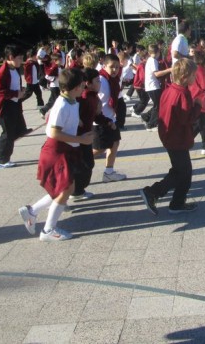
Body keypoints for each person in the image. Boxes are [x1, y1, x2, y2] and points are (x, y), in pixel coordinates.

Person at [18, 69, 94, 241]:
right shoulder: (62, 105)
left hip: (64, 150)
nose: (85, 87)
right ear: (76, 87)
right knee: (65, 189)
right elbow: (53, 132)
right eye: (83, 84)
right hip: (56, 151)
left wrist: (77, 122)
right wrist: (81, 139)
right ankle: (48, 230)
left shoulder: (71, 101)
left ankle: (32, 211)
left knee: (67, 188)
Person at [139, 59, 200, 215]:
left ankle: (177, 203)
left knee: (181, 171)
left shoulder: (169, 89)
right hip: (177, 138)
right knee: (182, 173)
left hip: (169, 136)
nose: (195, 78)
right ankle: (153, 192)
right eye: (194, 75)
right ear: (185, 77)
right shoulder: (182, 93)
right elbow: (186, 118)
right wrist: (197, 106)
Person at [73, 68, 113, 201]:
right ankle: (75, 191)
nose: (100, 83)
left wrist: (107, 122)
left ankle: (77, 190)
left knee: (87, 163)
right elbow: (75, 114)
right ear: (88, 83)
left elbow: (96, 116)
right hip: (79, 138)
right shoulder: (84, 97)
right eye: (97, 81)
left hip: (86, 136)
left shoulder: (93, 97)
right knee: (84, 165)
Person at [0, 45, 28, 168]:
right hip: (5, 106)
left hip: (15, 104)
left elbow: (13, 84)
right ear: (10, 57)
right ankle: (1, 160)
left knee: (20, 130)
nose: (21, 60)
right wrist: (15, 94)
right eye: (19, 58)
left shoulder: (15, 69)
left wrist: (20, 90)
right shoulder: (2, 72)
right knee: (8, 133)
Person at [95, 54, 127, 182]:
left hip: (111, 119)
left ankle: (109, 172)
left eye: (117, 67)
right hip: (100, 121)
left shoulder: (114, 80)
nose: (115, 70)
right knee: (99, 149)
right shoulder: (100, 80)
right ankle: (76, 164)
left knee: (114, 144)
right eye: (111, 67)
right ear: (104, 66)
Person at [141, 44, 171, 131]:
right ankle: (151, 124)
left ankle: (146, 116)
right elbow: (157, 74)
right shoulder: (153, 61)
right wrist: (169, 70)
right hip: (153, 86)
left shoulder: (150, 60)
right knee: (158, 106)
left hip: (151, 86)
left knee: (157, 104)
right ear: (158, 52)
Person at [38, 52, 61, 118]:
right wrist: (54, 78)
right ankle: (43, 110)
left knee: (56, 100)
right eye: (59, 60)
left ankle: (55, 112)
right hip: (54, 86)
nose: (60, 61)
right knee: (52, 101)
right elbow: (47, 76)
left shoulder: (59, 67)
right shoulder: (53, 67)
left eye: (60, 59)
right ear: (54, 61)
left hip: (59, 86)